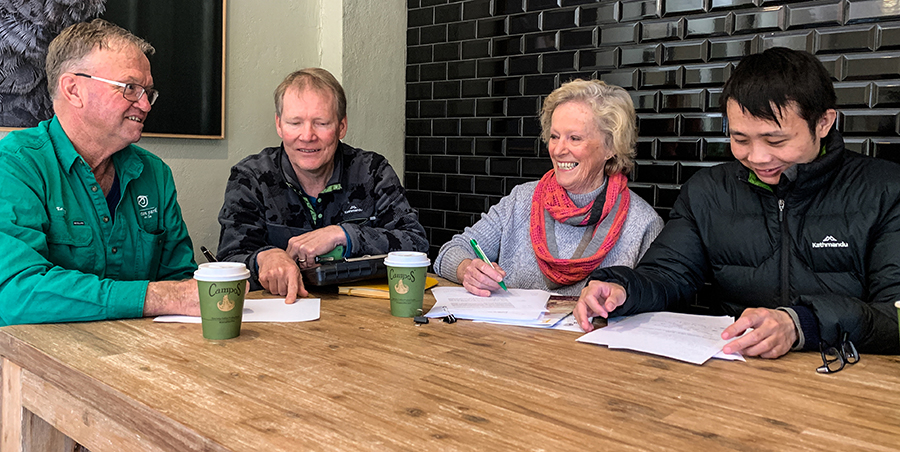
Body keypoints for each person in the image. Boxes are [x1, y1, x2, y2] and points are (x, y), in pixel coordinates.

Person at [575, 47, 900, 357]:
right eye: (740, 139)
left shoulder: (884, 190)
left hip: (847, 382)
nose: (758, 157)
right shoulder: (709, 191)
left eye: (776, 140)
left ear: (824, 123)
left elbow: (895, 315)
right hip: (732, 370)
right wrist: (622, 289)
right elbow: (667, 275)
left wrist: (803, 324)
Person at [0, 19, 200, 326]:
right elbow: (15, 293)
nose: (145, 105)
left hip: (142, 359)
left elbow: (181, 284)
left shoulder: (155, 174)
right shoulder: (15, 165)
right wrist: (158, 297)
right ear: (74, 89)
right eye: (130, 88)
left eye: (148, 91)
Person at [434, 79, 663, 297]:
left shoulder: (643, 223)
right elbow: (449, 252)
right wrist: (467, 270)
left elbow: (657, 298)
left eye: (574, 138)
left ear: (611, 147)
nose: (558, 149)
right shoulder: (521, 200)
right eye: (554, 136)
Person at [217, 68, 428, 303]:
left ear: (341, 127)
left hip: (363, 317)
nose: (307, 136)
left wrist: (344, 235)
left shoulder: (372, 171)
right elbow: (228, 261)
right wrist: (264, 257)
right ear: (279, 125)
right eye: (295, 123)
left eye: (321, 123)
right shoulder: (251, 177)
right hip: (279, 318)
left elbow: (416, 245)